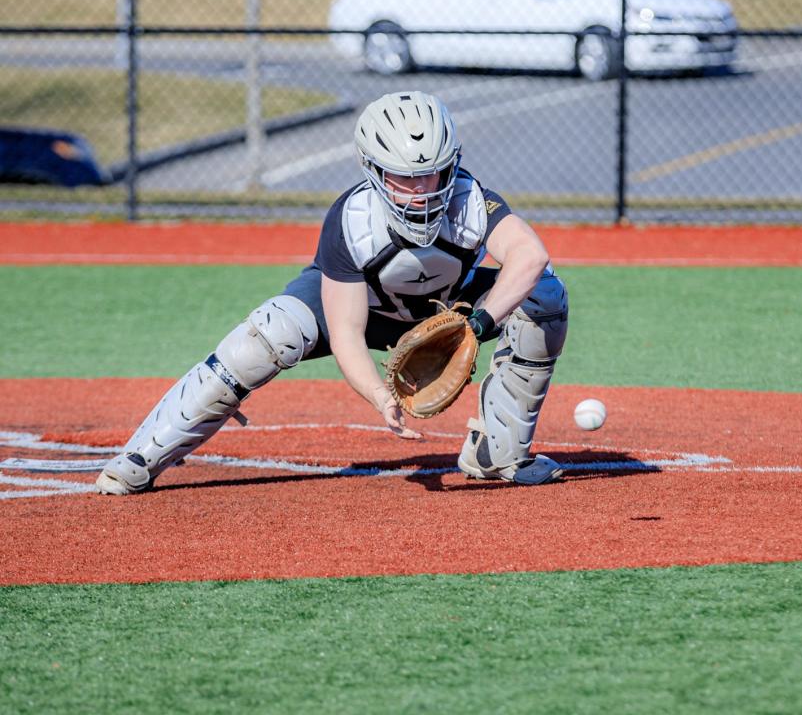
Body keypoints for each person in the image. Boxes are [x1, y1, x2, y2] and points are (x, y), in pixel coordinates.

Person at [96, 91, 568, 495]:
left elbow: (529, 255)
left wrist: (477, 324)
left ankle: (499, 454)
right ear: (373, 171)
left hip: (452, 312)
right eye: (405, 178)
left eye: (435, 174)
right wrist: (380, 396)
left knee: (545, 296)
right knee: (267, 335)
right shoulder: (351, 221)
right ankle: (140, 458)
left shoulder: (471, 201)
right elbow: (346, 333)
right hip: (363, 309)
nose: (422, 190)